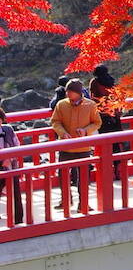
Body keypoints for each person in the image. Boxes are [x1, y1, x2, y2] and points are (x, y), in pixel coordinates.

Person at [50, 79, 102, 213]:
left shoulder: (90, 105)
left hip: (83, 146)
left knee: (83, 178)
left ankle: (83, 203)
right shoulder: (61, 104)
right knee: (63, 175)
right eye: (67, 91)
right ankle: (65, 200)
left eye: (71, 91)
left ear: (78, 93)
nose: (68, 94)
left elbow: (97, 123)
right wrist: (63, 133)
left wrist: (85, 130)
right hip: (65, 145)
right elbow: (55, 122)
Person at [1, 109, 24, 225]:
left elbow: (17, 146)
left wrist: (9, 158)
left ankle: (19, 217)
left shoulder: (8, 130)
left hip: (10, 165)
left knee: (16, 191)